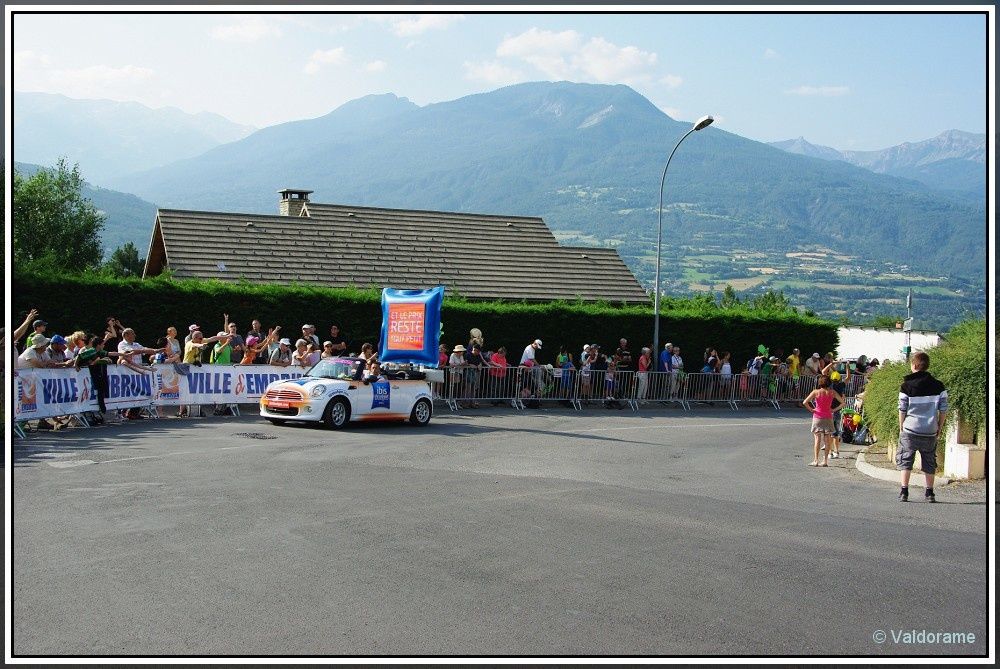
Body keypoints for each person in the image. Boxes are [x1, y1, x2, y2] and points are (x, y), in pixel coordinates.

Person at [897, 351, 948, 503]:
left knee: (906, 459)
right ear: (927, 366)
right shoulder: (939, 386)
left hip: (910, 430)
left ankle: (904, 491)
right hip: (930, 430)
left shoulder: (906, 386)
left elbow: (902, 409)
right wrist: (939, 426)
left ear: (914, 365)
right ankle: (929, 493)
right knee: (929, 461)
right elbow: (943, 409)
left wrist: (901, 427)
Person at [802, 375, 845, 466]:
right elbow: (843, 403)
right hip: (828, 417)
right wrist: (833, 410)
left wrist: (811, 409)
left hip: (817, 416)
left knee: (817, 439)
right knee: (827, 439)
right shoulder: (832, 392)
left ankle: (816, 460)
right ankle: (825, 461)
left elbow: (805, 402)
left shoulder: (816, 392)